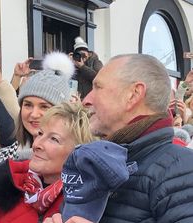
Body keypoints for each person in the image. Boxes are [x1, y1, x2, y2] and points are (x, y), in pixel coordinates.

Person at [82, 54, 193, 222]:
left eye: (98, 87)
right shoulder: (95, 160)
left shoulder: (181, 169)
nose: (86, 100)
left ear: (133, 95)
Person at [0, 102, 95, 223]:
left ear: (78, 153)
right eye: (40, 134)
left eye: (54, 139)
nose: (37, 144)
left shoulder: (78, 208)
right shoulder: (17, 184)